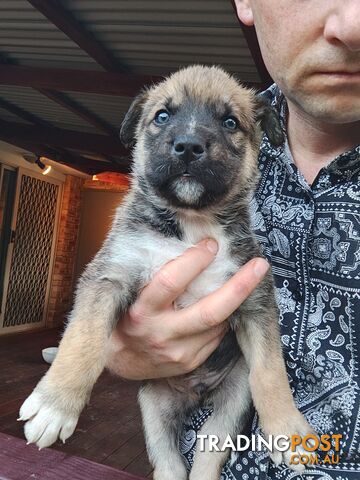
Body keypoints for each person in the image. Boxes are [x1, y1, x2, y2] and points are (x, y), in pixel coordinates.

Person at [106, 0, 360, 478]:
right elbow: (115, 293)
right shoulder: (193, 156)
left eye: (228, 126)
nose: (353, 24)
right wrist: (118, 347)